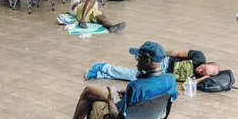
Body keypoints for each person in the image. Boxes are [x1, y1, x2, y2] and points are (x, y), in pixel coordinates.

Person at [46, 41, 177, 119]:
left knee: (90, 97)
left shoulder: (135, 87)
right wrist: (128, 94)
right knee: (92, 92)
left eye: (139, 57)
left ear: (147, 61)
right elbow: (163, 97)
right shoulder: (170, 79)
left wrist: (110, 101)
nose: (136, 61)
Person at [85, 48, 221, 83]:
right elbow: (178, 53)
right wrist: (159, 55)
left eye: (203, 72)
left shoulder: (200, 78)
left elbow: (189, 86)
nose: (199, 70)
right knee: (135, 75)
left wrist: (202, 78)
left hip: (163, 75)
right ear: (205, 62)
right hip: (165, 63)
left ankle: (101, 72)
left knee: (136, 78)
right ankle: (103, 67)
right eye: (202, 67)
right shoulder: (199, 56)